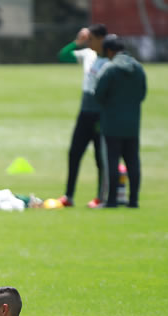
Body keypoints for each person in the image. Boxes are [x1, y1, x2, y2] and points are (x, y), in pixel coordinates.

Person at [57, 24, 108, 208]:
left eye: (91, 39)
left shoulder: (110, 59)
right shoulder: (87, 54)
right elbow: (63, 55)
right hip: (84, 113)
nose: (89, 43)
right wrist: (76, 42)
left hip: (101, 115)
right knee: (74, 153)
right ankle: (68, 196)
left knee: (100, 158)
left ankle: (101, 197)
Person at [94, 35, 147, 209]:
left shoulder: (110, 69)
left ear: (109, 51)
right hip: (132, 124)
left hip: (111, 124)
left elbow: (99, 94)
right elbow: (142, 94)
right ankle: (134, 200)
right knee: (133, 162)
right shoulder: (138, 68)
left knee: (112, 162)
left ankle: (111, 200)